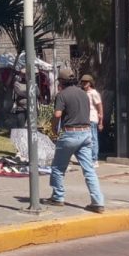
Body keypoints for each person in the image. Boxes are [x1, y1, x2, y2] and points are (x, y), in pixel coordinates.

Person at [43, 67, 106, 213]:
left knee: (58, 168)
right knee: (89, 170)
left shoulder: (62, 95)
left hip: (70, 134)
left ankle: (58, 197)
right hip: (86, 133)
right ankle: (98, 202)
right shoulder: (84, 94)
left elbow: (58, 114)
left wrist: (53, 127)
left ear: (61, 81)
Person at [80, 73, 105, 164]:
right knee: (86, 140)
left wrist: (101, 122)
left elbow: (100, 106)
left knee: (93, 139)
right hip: (84, 119)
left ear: (90, 83)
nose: (84, 83)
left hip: (92, 118)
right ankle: (88, 158)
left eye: (86, 82)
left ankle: (94, 159)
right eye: (83, 82)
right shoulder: (82, 93)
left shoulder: (94, 93)